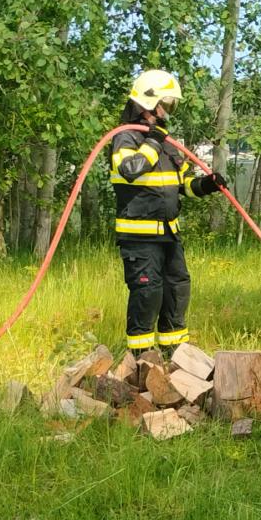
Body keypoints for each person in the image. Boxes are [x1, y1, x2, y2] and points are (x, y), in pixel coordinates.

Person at [110, 70, 226, 359]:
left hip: (169, 235)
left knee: (177, 290)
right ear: (148, 102)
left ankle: (175, 354)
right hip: (139, 237)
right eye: (166, 104)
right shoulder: (125, 137)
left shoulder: (166, 143)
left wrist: (207, 185)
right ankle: (141, 359)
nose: (168, 112)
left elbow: (183, 185)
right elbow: (131, 169)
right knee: (147, 294)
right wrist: (152, 142)